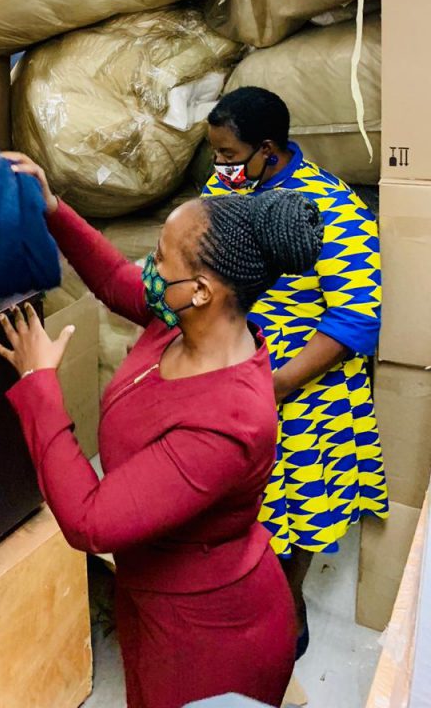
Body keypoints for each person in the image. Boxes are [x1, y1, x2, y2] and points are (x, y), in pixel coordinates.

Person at [0, 151, 325, 708]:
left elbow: (90, 521)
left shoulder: (231, 422)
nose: (149, 265)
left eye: (161, 258)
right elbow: (114, 280)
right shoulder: (180, 323)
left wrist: (39, 384)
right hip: (153, 596)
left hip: (207, 638)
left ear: (201, 290)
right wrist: (53, 208)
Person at [203, 85, 387, 659]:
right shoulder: (225, 190)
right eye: (215, 154)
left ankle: (289, 598)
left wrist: (279, 384)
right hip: (232, 374)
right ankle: (239, 588)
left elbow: (355, 319)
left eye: (229, 155)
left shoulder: (332, 208)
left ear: (267, 149)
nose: (220, 167)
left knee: (304, 503)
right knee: (237, 499)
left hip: (306, 384)